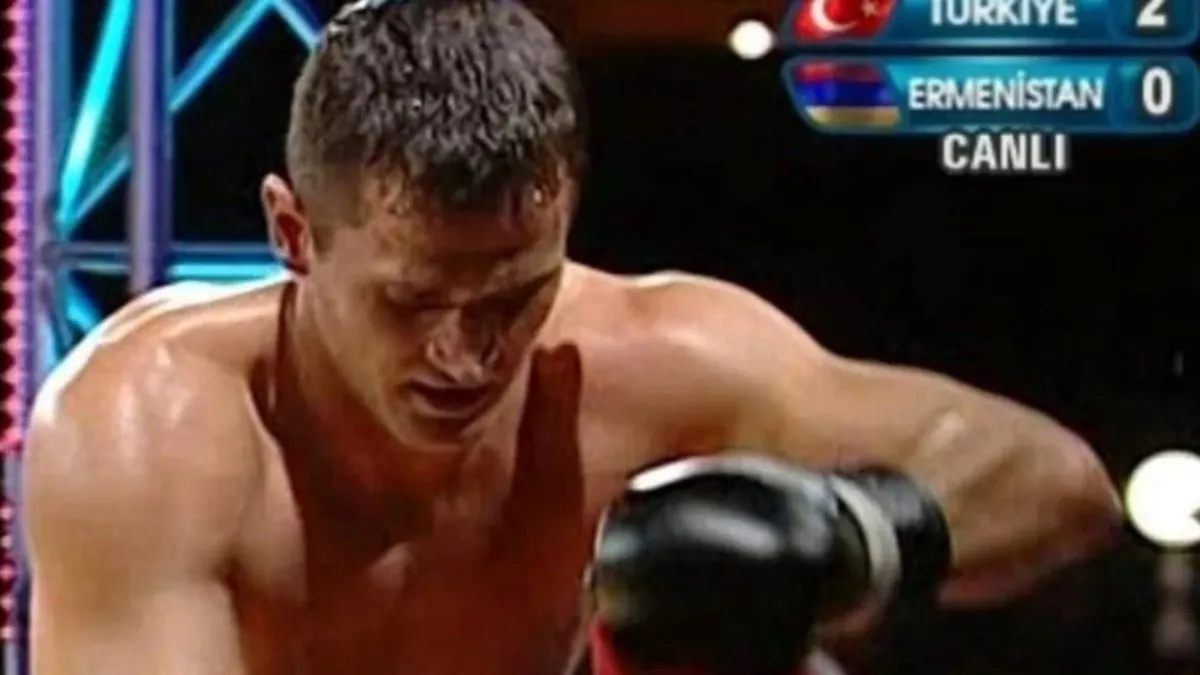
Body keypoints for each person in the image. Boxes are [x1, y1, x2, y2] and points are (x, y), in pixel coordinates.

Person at [23, 1, 1120, 674]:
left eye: (514, 295)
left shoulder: (645, 363)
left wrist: (851, 537)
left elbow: (1059, 483)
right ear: (293, 233)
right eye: (413, 301)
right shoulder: (152, 431)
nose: (468, 355)